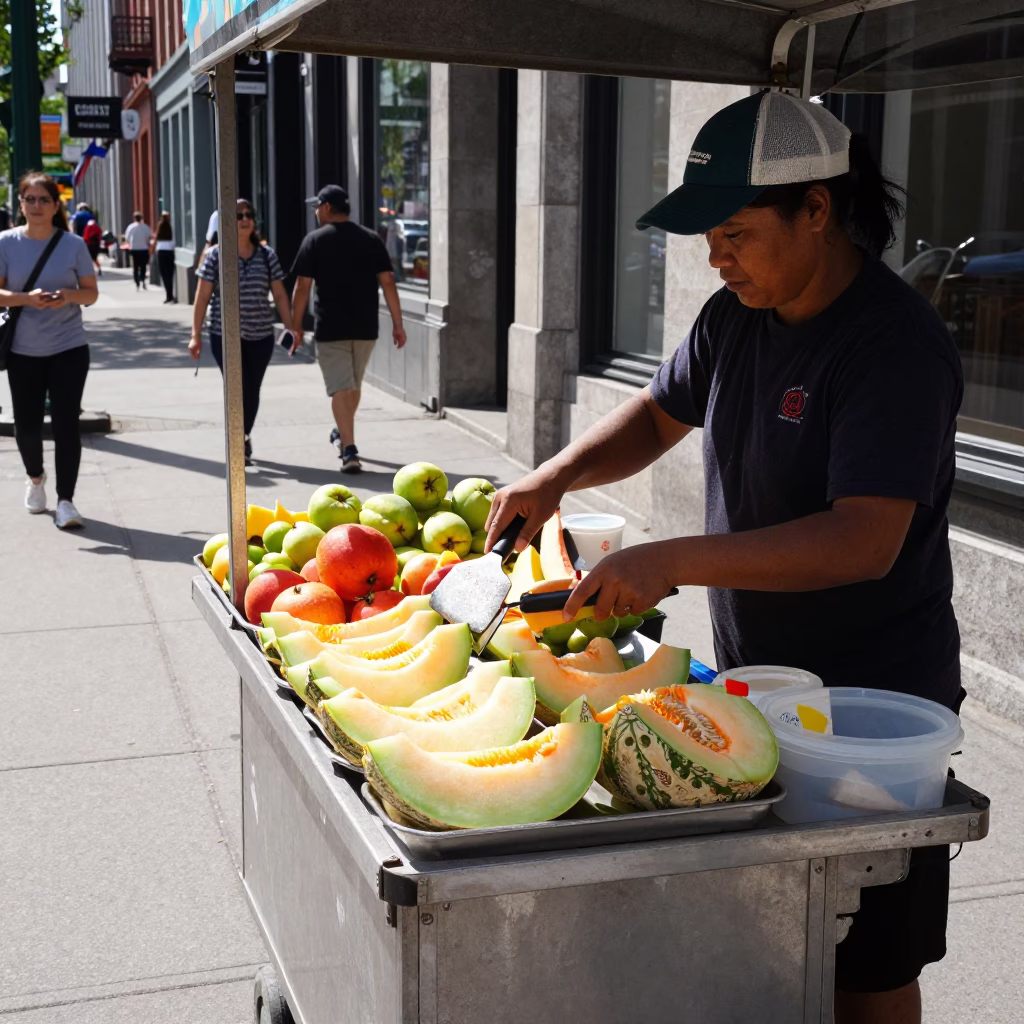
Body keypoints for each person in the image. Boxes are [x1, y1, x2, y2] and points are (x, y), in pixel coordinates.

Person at [485, 92, 963, 1024]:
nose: (718, 257)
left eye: (738, 231)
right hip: (761, 690)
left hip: (872, 711)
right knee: (772, 934)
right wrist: (554, 476)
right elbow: (659, 415)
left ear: (816, 211)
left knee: (868, 964)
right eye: (711, 236)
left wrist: (673, 561)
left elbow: (866, 540)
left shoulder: (891, 345)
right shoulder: (735, 317)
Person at [0, 172, 98, 528]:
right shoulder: (6, 242)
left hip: (69, 347)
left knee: (66, 425)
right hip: (23, 351)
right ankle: (35, 478)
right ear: (21, 204)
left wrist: (68, 296)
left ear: (57, 206)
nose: (37, 206)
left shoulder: (72, 244)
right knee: (25, 426)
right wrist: (28, 298)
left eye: (45, 199)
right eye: (30, 199)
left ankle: (66, 500)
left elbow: (90, 292)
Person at [290, 184, 406, 473]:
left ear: (327, 208)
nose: (316, 212)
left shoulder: (314, 240)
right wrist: (397, 323)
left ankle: (349, 450)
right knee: (350, 388)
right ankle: (344, 436)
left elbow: (302, 286)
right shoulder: (371, 239)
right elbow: (388, 281)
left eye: (317, 207)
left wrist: (294, 325)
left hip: (331, 328)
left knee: (344, 389)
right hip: (366, 326)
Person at [188, 199, 293, 465]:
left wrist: (291, 325)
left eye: (248, 215)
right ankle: (238, 440)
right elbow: (202, 297)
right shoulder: (215, 255)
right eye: (238, 215)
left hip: (261, 335)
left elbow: (279, 294)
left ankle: (242, 435)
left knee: (252, 388)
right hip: (224, 335)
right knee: (235, 388)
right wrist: (195, 334)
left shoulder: (266, 255)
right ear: (227, 221)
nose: (244, 219)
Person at [124, 211, 153, 290]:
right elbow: (149, 237)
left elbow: (127, 238)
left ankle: (137, 282)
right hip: (143, 249)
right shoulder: (146, 227)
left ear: (134, 218)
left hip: (134, 249)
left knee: (135, 266)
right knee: (143, 266)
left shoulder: (131, 227)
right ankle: (143, 280)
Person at [155, 212, 176, 304]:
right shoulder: (171, 227)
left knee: (164, 274)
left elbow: (156, 239)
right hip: (170, 251)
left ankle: (168, 295)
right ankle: (170, 294)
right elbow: (174, 241)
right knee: (170, 274)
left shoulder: (160, 227)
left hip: (161, 251)